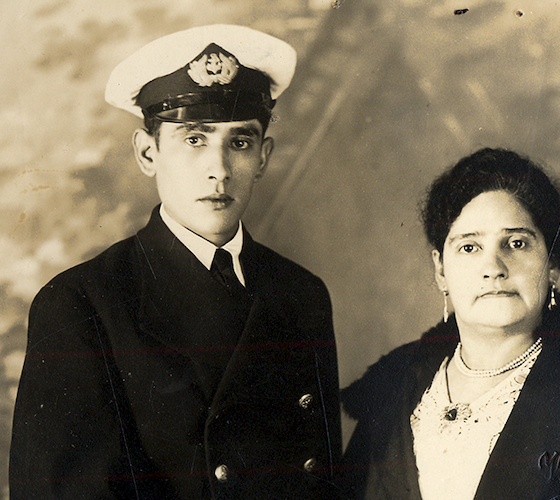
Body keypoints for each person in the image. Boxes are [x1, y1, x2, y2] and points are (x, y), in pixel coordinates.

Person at [10, 25, 341, 500]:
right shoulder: (82, 305)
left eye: (240, 142)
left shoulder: (302, 293)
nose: (219, 169)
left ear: (264, 157)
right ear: (148, 152)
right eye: (193, 140)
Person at [340, 148, 560, 500]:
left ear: (554, 262)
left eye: (516, 243)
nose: (493, 266)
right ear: (440, 271)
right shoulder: (393, 388)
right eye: (469, 247)